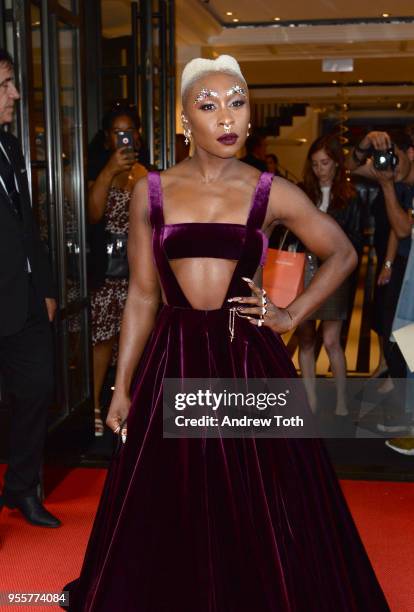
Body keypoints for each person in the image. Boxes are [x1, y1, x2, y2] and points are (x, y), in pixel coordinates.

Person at [63, 55, 388, 611]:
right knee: (170, 493)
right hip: (175, 353)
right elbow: (142, 294)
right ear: (185, 121)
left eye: (236, 102)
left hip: (246, 355)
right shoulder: (153, 191)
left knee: (263, 491)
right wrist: (121, 386)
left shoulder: (271, 190)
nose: (226, 116)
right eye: (208, 105)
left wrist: (291, 314)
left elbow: (341, 253)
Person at [0, 48, 60, 527]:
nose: (14, 94)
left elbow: (27, 224)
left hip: (25, 300)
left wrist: (45, 285)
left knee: (37, 389)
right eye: (4, 85)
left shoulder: (10, 146)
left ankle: (21, 488)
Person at [87, 106, 147, 435]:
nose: (125, 137)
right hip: (108, 270)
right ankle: (96, 404)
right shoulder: (99, 170)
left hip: (139, 272)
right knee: (103, 341)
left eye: (130, 131)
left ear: (138, 134)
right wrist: (110, 172)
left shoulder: (147, 174)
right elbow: (93, 215)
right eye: (117, 132)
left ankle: (135, 405)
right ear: (108, 138)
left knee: (137, 340)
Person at [349, 130, 414, 430]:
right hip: (403, 265)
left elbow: (402, 228)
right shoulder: (398, 180)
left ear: (410, 153)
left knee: (405, 340)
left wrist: (387, 184)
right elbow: (350, 167)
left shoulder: (395, 183)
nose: (390, 164)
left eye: (395, 157)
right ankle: (406, 413)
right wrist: (364, 145)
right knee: (397, 336)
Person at [297, 135, 362, 415]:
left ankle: (341, 401)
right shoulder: (302, 194)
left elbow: (355, 242)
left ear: (336, 164)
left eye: (324, 163)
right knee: (306, 338)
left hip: (334, 271)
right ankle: (310, 400)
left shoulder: (349, 196)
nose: (319, 169)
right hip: (304, 268)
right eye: (314, 164)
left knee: (332, 340)